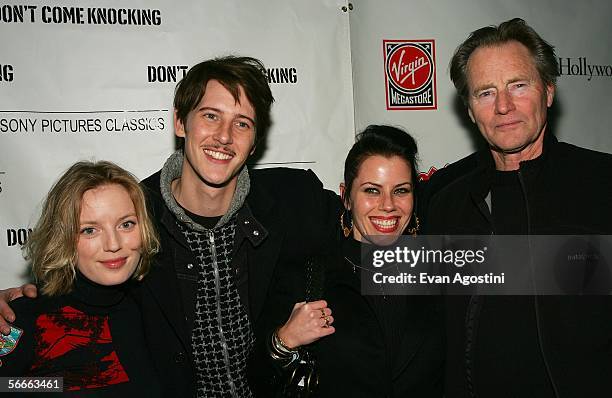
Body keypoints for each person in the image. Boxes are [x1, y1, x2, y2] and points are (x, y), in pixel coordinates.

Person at [0, 56, 342, 397]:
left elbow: (376, 249)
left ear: (254, 142)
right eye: (210, 116)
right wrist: (18, 314)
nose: (224, 137)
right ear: (180, 122)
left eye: (242, 123)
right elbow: (77, 289)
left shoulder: (293, 200)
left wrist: (398, 282)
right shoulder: (135, 217)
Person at [423, 18, 612, 397]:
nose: (504, 106)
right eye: (486, 93)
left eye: (518, 85)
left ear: (548, 91)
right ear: (470, 110)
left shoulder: (603, 184)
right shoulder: (445, 204)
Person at [252, 125, 444, 397]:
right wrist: (284, 340)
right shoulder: (311, 276)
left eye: (400, 191)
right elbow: (255, 377)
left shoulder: (438, 271)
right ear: (346, 197)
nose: (388, 205)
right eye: (372, 191)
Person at [0, 161, 162, 396]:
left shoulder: (156, 305)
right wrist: (52, 385)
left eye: (126, 224)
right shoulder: (24, 317)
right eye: (89, 230)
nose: (113, 244)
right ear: (63, 238)